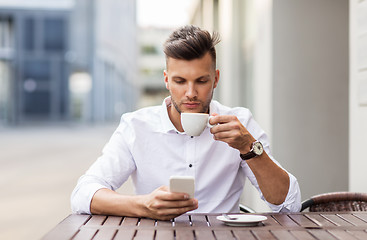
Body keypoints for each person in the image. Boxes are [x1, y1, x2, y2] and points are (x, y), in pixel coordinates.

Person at [71, 25, 301, 220]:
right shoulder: (136, 126)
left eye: (201, 81)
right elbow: (83, 194)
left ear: (216, 79)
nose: (191, 93)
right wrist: (143, 205)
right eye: (180, 81)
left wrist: (249, 148)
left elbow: (288, 205)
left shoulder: (239, 123)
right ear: (166, 81)